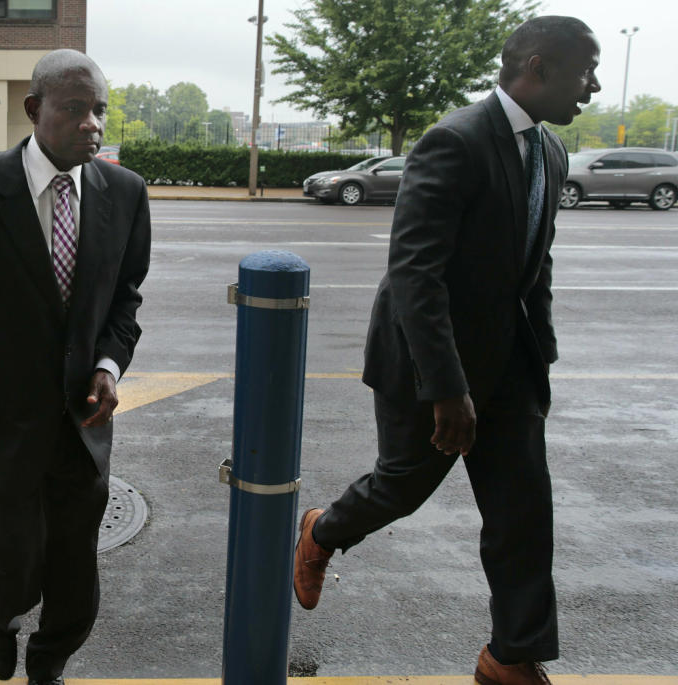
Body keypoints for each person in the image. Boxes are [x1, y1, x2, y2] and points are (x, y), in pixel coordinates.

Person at [293, 16, 600, 685]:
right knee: (402, 485)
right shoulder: (456, 141)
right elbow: (414, 272)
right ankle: (321, 530)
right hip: (428, 359)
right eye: (586, 72)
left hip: (509, 361)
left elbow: (533, 264)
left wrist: (538, 358)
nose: (594, 87)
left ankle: (510, 654)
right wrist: (447, 386)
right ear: (540, 68)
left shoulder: (550, 152)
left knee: (523, 511)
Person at [0, 49, 150, 685]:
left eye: (98, 110)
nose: (92, 124)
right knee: (14, 565)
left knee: (77, 583)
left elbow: (125, 298)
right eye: (75, 110)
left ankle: (49, 664)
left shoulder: (125, 194)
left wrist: (108, 364)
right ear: (33, 109)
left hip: (82, 425)